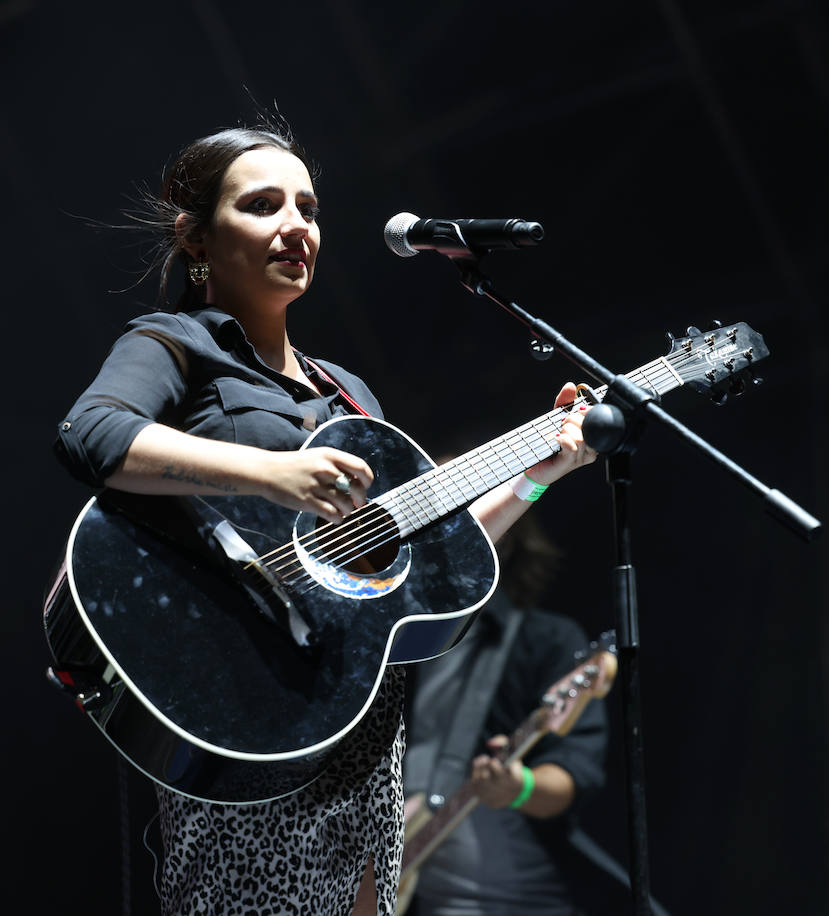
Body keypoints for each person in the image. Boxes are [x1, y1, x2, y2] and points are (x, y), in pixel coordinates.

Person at [51, 117, 599, 916]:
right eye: (264, 205)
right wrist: (273, 473)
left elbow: (413, 570)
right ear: (196, 237)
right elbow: (90, 434)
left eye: (308, 208)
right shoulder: (175, 341)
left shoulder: (348, 395)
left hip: (361, 733)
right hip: (251, 717)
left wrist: (538, 477)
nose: (296, 227)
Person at [402, 511, 670, 916]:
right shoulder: (397, 643)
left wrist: (518, 786)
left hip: (522, 900)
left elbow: (572, 774)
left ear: (501, 540)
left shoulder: (546, 641)